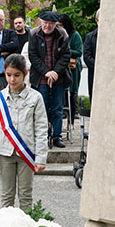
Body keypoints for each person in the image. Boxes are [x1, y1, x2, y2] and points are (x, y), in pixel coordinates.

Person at [0, 53, 48, 211]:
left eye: (17, 75)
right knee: (7, 195)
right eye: (8, 75)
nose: (12, 79)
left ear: (25, 73)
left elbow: (41, 129)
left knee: (26, 195)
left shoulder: (36, 98)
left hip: (26, 152)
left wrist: (41, 157)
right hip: (5, 152)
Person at [28, 11, 71, 148]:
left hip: (59, 77)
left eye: (51, 24)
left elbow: (66, 56)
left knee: (58, 108)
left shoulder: (62, 34)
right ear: (41, 22)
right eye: (45, 23)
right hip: (41, 77)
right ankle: (43, 136)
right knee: (42, 108)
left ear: (55, 24)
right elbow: (33, 56)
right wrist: (46, 72)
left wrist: (55, 72)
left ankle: (57, 136)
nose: (47, 26)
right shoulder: (34, 33)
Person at [58, 13, 83, 123]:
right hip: (61, 66)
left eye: (61, 25)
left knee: (72, 92)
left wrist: (64, 50)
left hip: (72, 68)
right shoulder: (57, 34)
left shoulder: (75, 35)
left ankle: (72, 118)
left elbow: (79, 52)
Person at [83, 10, 99, 101]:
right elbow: (86, 56)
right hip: (94, 74)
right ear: (97, 21)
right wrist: (98, 66)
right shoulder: (90, 37)